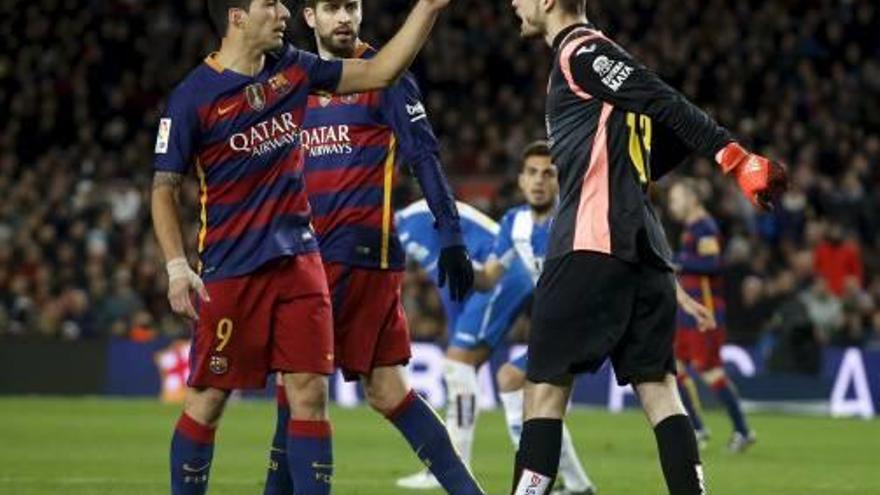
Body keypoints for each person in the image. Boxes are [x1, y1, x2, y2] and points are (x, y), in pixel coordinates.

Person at [150, 0, 457, 493]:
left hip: (300, 264)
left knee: (309, 395)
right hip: (231, 268)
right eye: (270, 4)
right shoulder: (193, 97)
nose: (284, 13)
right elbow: (163, 187)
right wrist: (175, 266)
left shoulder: (293, 69)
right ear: (236, 16)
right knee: (207, 401)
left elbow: (380, 70)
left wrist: (427, 8)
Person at [506, 1, 787, 494]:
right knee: (660, 393)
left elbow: (664, 99)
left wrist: (735, 159)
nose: (513, 3)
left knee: (544, 396)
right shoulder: (606, 62)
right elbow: (667, 121)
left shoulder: (581, 52)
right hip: (649, 255)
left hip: (589, 246)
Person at [261, 1, 479, 493]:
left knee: (296, 385)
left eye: (352, 7)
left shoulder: (382, 74)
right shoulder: (297, 80)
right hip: (321, 255)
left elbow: (423, 152)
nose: (345, 17)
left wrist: (450, 234)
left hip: (349, 253)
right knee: (386, 392)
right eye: (333, 7)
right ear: (309, 16)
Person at [397, 142, 596, 495]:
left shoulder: (574, 221)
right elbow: (488, 277)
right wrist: (463, 266)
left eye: (548, 174)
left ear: (560, 181)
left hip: (586, 322)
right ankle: (572, 484)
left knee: (517, 385)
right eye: (532, 173)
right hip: (557, 328)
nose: (538, 181)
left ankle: (538, 479)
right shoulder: (515, 223)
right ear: (520, 180)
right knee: (514, 383)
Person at [668, 179, 755, 453]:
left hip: (704, 310)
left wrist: (677, 261)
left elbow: (712, 264)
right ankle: (696, 428)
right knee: (674, 367)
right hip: (687, 310)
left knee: (710, 370)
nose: (673, 205)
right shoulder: (691, 228)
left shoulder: (705, 227)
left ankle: (742, 430)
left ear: (693, 198)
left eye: (677, 198)